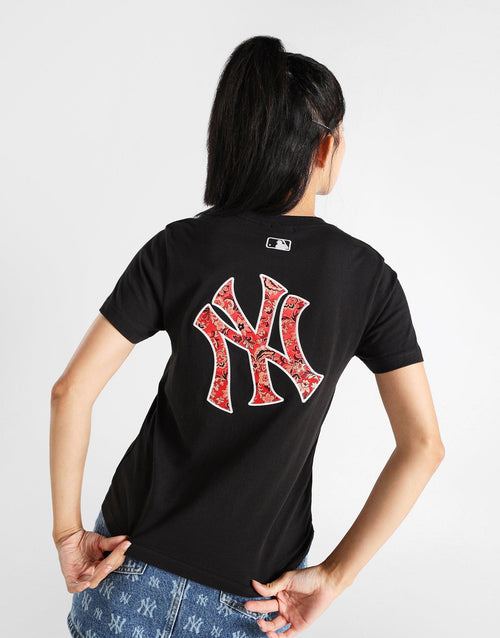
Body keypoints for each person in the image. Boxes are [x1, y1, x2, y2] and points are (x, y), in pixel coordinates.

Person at [50, 35, 445, 638]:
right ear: (326, 146)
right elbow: (423, 445)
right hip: (254, 600)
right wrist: (333, 577)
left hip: (126, 568)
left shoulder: (180, 246)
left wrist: (67, 534)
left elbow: (70, 391)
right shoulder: (366, 278)